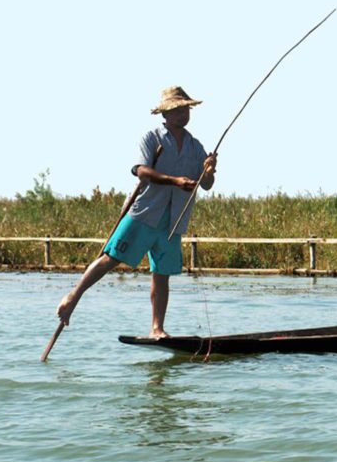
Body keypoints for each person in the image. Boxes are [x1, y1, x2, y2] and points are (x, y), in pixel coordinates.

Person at [56, 86, 217, 338]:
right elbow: (141, 171)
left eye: (185, 108)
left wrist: (209, 170)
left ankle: (157, 328)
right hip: (144, 212)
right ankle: (72, 297)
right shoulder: (152, 138)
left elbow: (205, 185)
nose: (182, 113)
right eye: (176, 109)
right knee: (111, 258)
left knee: (162, 275)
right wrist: (174, 181)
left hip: (174, 220)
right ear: (165, 113)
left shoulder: (195, 147)